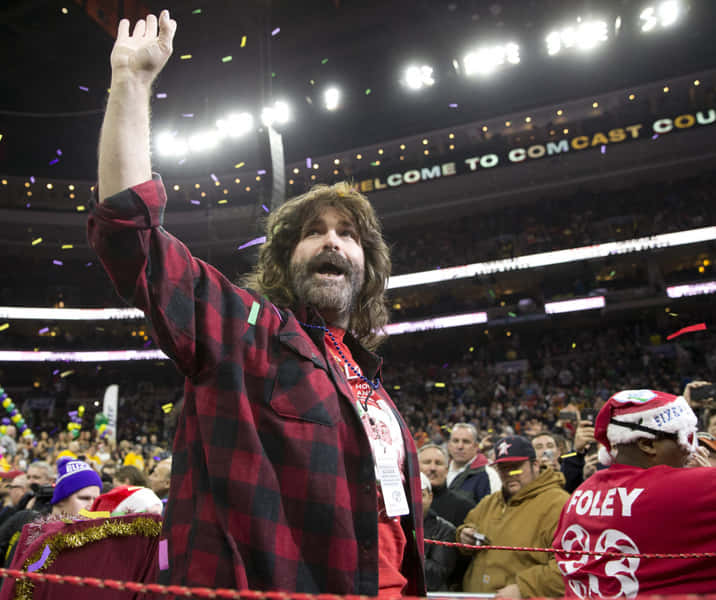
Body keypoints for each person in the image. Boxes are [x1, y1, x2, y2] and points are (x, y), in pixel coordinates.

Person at [88, 10, 426, 595]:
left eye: (348, 234)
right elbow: (130, 235)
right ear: (284, 259)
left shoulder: (371, 385)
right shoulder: (244, 332)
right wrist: (132, 83)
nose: (332, 241)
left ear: (367, 267)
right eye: (314, 232)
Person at [553, 389, 716, 596]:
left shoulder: (580, 493)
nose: (691, 449)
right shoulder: (695, 487)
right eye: (685, 437)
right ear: (647, 444)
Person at [457, 436, 569, 598]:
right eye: (503, 468)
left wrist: (524, 587)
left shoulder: (559, 504)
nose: (510, 474)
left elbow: (568, 566)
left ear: (535, 465)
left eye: (516, 468)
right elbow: (467, 526)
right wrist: (463, 535)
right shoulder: (490, 502)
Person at [418, 444, 475, 526]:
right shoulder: (404, 505)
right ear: (415, 467)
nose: (433, 468)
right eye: (427, 462)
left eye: (438, 463)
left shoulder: (464, 507)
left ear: (447, 470)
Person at [420, 473, 457, 591]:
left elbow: (435, 577)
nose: (415, 500)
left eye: (421, 495)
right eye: (409, 494)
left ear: (430, 497)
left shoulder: (445, 530)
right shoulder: (390, 526)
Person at [447, 423, 501, 503]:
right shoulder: (441, 471)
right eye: (455, 441)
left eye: (466, 442)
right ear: (449, 445)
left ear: (476, 446)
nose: (460, 446)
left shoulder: (489, 475)